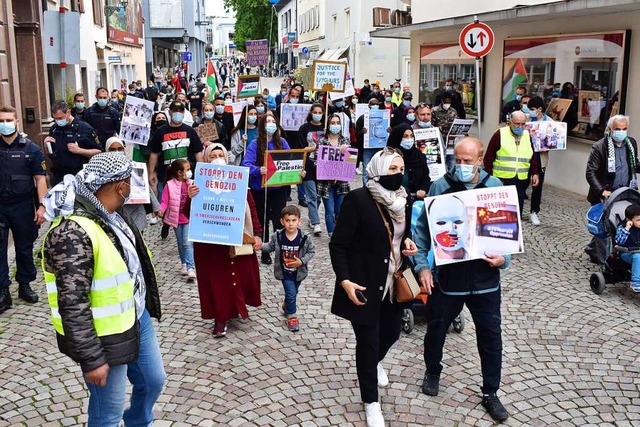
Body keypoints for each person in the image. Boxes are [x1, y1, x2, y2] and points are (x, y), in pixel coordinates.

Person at [41, 152, 164, 426]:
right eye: (130, 181)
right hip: (104, 335)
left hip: (135, 316)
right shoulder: (72, 232)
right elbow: (72, 303)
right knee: (107, 414)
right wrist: (92, 358)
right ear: (120, 186)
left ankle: (137, 422)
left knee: (154, 381)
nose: (133, 186)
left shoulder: (112, 214)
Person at [414, 137, 510, 423]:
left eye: (468, 161)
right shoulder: (440, 187)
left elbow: (506, 233)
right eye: (458, 160)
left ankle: (491, 391)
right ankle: (432, 370)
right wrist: (423, 267)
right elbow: (422, 232)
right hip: (449, 279)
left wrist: (504, 260)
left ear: (480, 160)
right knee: (436, 329)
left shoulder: (494, 188)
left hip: (486, 281)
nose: (462, 166)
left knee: (491, 338)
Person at [329, 147, 418, 427]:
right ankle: (371, 402)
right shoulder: (358, 200)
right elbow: (338, 244)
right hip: (364, 284)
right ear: (377, 169)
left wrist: (409, 246)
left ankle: (376, 362)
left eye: (401, 169)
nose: (398, 174)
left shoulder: (405, 200)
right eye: (392, 169)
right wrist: (344, 279)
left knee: (391, 333)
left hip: (394, 283)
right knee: (367, 343)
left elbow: (403, 237)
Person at [188, 143, 263, 337]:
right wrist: (190, 197)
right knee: (217, 280)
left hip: (235, 236)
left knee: (237, 275)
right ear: (205, 159)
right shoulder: (198, 183)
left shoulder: (237, 181)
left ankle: (236, 306)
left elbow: (251, 208)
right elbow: (188, 213)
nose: (217, 159)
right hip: (209, 243)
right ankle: (220, 318)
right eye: (213, 156)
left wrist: (257, 234)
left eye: (221, 154)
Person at [0, 106, 46, 312]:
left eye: (9, 120)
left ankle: (25, 285)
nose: (5, 123)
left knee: (24, 248)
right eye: (2, 120)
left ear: (17, 122)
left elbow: (40, 179)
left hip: (23, 206)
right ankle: (3, 291)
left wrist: (43, 206)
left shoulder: (31, 149)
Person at [585, 114, 640, 264]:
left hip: (625, 193)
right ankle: (605, 263)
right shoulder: (600, 146)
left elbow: (634, 164)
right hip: (606, 193)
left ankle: (592, 248)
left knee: (617, 224)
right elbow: (590, 172)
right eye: (617, 129)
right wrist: (602, 190)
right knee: (603, 227)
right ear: (610, 129)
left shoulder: (631, 144)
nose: (621, 132)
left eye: (624, 129)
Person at [242, 111, 291, 265]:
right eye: (267, 121)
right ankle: (265, 251)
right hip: (260, 189)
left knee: (279, 220)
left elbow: (291, 160)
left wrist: (298, 172)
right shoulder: (255, 144)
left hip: (278, 189)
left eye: (273, 121)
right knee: (263, 221)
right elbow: (246, 165)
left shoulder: (282, 142)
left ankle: (279, 249)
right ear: (262, 126)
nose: (271, 124)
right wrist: (258, 170)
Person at [261, 205, 316, 332]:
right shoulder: (278, 236)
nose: (290, 224)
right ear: (282, 221)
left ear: (299, 221)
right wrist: (258, 246)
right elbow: (269, 247)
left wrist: (301, 261)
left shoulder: (305, 238)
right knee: (291, 294)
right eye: (287, 220)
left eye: (293, 220)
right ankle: (291, 316)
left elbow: (311, 252)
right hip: (285, 273)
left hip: (299, 273)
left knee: (293, 293)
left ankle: (287, 306)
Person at [483, 110, 540, 215]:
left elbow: (532, 157)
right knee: (498, 213)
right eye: (517, 123)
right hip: (501, 180)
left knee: (516, 213)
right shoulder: (500, 134)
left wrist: (535, 173)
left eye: (523, 124)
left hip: (520, 180)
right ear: (510, 122)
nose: (520, 127)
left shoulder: (527, 136)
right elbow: (488, 158)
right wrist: (489, 178)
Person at [148, 100, 204, 199]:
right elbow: (154, 154)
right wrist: (151, 173)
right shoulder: (160, 131)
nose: (178, 112)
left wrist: (202, 173)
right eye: (175, 110)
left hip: (187, 178)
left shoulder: (190, 131)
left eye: (180, 110)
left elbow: (198, 153)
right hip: (165, 178)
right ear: (169, 112)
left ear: (184, 113)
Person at [105, 137, 161, 234]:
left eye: (120, 149)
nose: (117, 152)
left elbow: (145, 187)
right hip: (115, 213)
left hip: (136, 212)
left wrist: (156, 208)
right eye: (112, 149)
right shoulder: (103, 170)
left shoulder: (134, 167)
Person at [45, 100, 102, 185]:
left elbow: (99, 152)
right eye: (55, 118)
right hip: (59, 176)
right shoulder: (54, 129)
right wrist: (46, 145)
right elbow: (51, 154)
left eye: (60, 118)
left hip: (78, 175)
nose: (58, 121)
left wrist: (79, 150)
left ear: (68, 112)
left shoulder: (84, 128)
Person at [157, 159, 196, 281]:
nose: (190, 172)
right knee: (180, 242)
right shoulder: (170, 185)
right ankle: (184, 263)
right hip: (176, 219)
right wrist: (161, 210)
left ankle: (190, 267)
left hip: (188, 218)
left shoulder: (192, 183)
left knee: (187, 243)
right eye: (187, 169)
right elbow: (165, 201)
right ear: (180, 173)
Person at [316, 114, 351, 236]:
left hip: (342, 183)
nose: (335, 125)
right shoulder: (322, 141)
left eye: (337, 123)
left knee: (339, 210)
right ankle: (332, 233)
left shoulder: (345, 140)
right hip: (326, 183)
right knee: (329, 210)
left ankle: (340, 230)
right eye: (333, 123)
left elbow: (350, 162)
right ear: (328, 125)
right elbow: (316, 160)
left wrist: (347, 151)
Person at [297, 103, 325, 235]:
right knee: (311, 196)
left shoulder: (326, 129)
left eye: (320, 112)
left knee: (318, 196)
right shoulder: (304, 128)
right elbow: (301, 148)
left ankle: (311, 216)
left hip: (323, 167)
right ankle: (316, 222)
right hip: (308, 166)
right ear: (311, 113)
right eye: (315, 112)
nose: (317, 115)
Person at [386, 124, 430, 204]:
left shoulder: (419, 156)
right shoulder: (388, 158)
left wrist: (423, 190)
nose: (409, 139)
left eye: (411, 136)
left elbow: (426, 178)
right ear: (397, 137)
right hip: (393, 202)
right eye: (405, 136)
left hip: (416, 202)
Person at [527, 96, 551, 226]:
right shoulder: (526, 120)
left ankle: (534, 211)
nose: (530, 111)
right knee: (523, 182)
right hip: (525, 156)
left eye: (532, 109)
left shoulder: (550, 122)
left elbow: (552, 142)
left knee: (537, 185)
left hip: (540, 157)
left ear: (540, 109)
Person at [355, 98, 384, 185]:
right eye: (373, 104)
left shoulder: (383, 118)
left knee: (379, 169)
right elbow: (356, 134)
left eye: (376, 104)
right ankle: (366, 188)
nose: (375, 106)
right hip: (367, 149)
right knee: (366, 169)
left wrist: (388, 130)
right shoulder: (362, 118)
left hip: (379, 148)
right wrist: (362, 132)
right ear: (369, 106)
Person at [615, 204, 640, 292]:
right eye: (638, 220)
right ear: (629, 220)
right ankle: (635, 282)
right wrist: (627, 228)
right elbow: (619, 241)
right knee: (638, 257)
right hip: (626, 253)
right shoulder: (623, 228)